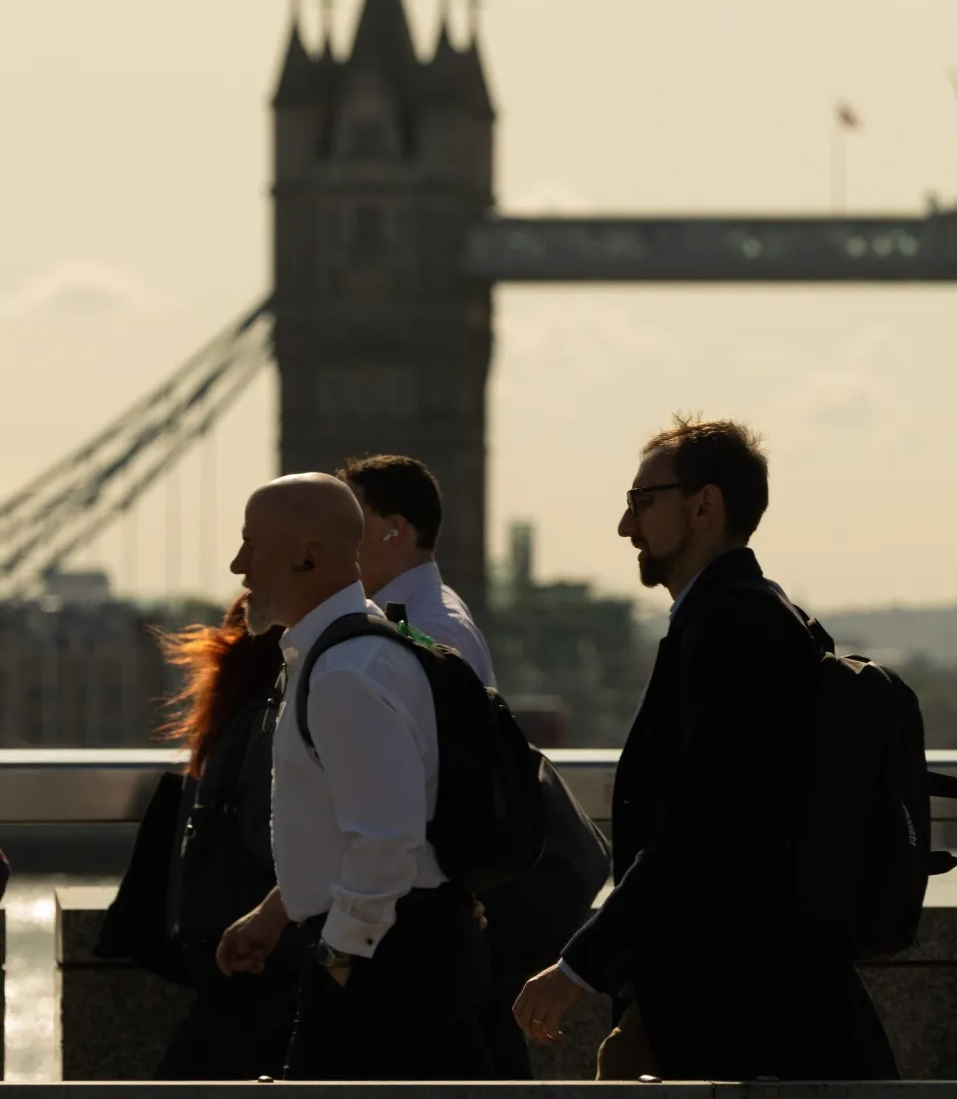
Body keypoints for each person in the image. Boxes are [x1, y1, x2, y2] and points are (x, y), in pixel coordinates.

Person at [511, 417, 895, 1081]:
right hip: (738, 993)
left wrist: (579, 964)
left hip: (737, 1004)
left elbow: (704, 827)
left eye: (641, 502)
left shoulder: (732, 625)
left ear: (704, 505)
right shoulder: (753, 614)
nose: (626, 527)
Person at [213, 474, 491, 1080]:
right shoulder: (363, 647)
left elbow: (387, 837)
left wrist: (340, 952)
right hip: (400, 948)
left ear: (306, 554)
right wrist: (280, 912)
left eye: (250, 545)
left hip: (386, 960)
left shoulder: (346, 673)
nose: (238, 566)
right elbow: (349, 823)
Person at [337, 451, 539, 1077]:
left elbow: (430, 788)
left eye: (352, 519)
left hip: (415, 921)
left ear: (394, 529)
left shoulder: (421, 628)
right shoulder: (428, 613)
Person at [144, 596, 303, 1078]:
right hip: (263, 963)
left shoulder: (226, 722)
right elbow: (281, 848)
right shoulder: (274, 726)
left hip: (218, 959)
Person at [338, 453, 496, 687]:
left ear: (394, 530)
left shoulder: (430, 630)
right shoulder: (426, 615)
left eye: (349, 523)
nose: (334, 539)